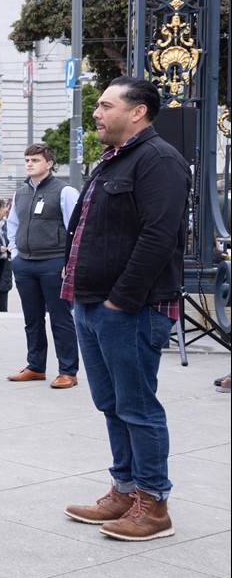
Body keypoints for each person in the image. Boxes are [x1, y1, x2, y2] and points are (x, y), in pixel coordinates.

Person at [64, 77, 189, 542]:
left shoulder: (159, 161)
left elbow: (159, 237)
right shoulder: (113, 160)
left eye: (104, 105)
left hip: (129, 310)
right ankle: (124, 489)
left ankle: (154, 505)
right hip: (91, 304)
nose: (96, 112)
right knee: (112, 405)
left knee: (138, 407)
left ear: (137, 112)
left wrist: (120, 301)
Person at [6, 143, 81, 388]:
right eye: (27, 160)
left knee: (60, 319)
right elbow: (13, 225)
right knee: (32, 318)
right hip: (25, 264)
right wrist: (15, 254)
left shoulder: (65, 192)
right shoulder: (21, 193)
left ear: (49, 164)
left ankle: (68, 371)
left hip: (54, 262)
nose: (29, 164)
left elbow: (77, 229)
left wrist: (70, 263)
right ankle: (36, 366)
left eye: (35, 160)